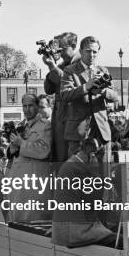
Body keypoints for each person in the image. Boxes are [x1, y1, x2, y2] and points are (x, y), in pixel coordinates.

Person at [60, 36, 119, 158]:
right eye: (88, 51)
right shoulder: (70, 70)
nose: (92, 55)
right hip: (79, 134)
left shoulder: (103, 70)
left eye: (95, 52)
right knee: (77, 173)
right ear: (80, 52)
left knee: (103, 174)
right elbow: (64, 95)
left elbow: (115, 95)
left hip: (101, 132)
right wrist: (86, 87)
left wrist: (103, 91)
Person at [52, 138, 117, 248]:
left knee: (110, 230)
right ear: (92, 155)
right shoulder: (79, 170)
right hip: (76, 231)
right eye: (100, 156)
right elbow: (95, 203)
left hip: (62, 229)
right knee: (120, 240)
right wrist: (96, 173)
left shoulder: (70, 164)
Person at [4, 93, 53, 222]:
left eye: (30, 105)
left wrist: (21, 143)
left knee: (30, 221)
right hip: (17, 181)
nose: (27, 109)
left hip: (32, 183)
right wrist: (13, 147)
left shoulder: (45, 125)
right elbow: (11, 152)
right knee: (15, 220)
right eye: (24, 106)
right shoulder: (22, 126)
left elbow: (43, 150)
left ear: (37, 106)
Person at [43, 32, 80, 162]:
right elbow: (48, 89)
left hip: (72, 118)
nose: (59, 52)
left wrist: (52, 66)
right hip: (60, 117)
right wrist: (51, 64)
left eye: (62, 49)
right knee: (59, 156)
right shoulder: (62, 65)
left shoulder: (81, 63)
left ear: (73, 45)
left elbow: (67, 83)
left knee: (68, 159)